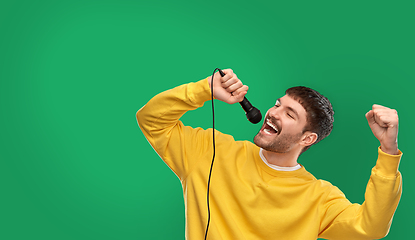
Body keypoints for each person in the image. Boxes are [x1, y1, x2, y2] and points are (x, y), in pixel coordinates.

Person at [136, 69, 402, 240]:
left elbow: (371, 227)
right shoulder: (211, 151)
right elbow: (151, 120)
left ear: (307, 138)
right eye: (277, 104)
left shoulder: (319, 197)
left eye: (289, 114)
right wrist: (203, 89)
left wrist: (388, 151)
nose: (273, 113)